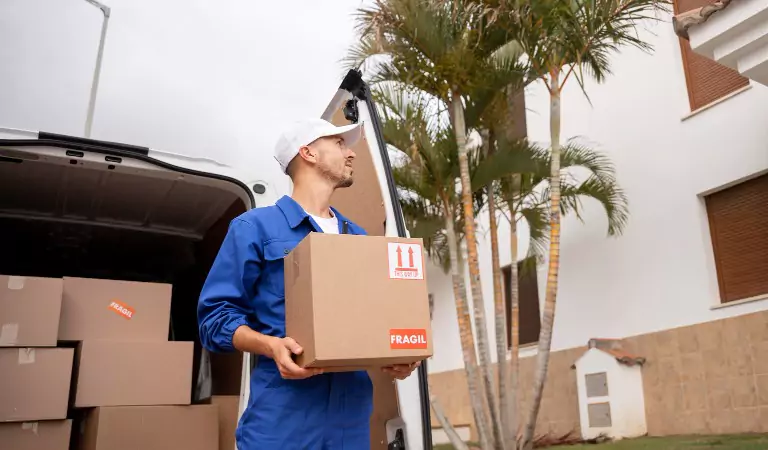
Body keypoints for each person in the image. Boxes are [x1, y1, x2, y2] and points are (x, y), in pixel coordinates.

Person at [197, 118, 421, 449]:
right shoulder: (254, 228)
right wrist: (270, 345)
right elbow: (214, 320)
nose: (351, 154)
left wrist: (399, 355)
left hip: (352, 421)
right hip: (283, 419)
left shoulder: (359, 237)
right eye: (340, 144)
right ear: (308, 153)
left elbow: (373, 322)